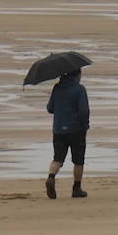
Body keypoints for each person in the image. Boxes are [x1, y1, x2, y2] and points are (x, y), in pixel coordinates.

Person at [45, 69, 89, 199]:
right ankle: (76, 188)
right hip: (76, 129)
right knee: (78, 160)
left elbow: (50, 108)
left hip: (58, 129)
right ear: (77, 75)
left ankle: (51, 177)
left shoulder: (57, 88)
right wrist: (85, 125)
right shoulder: (80, 89)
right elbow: (84, 111)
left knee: (58, 158)